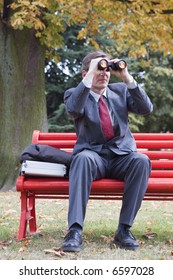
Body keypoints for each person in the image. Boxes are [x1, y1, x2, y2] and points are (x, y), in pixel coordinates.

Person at [61, 50, 153, 252]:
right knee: (82, 159)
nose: (104, 73)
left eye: (106, 69)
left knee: (142, 160)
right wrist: (90, 75)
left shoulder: (120, 91)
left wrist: (126, 77)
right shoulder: (75, 94)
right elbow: (74, 109)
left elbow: (146, 108)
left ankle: (124, 230)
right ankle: (74, 231)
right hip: (94, 158)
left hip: (122, 157)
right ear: (85, 74)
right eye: (98, 69)